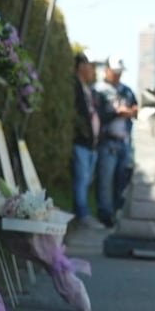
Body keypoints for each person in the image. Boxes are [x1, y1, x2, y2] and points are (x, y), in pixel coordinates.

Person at [93, 58, 139, 228]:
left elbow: (136, 109)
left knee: (123, 179)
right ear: (107, 70)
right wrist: (117, 113)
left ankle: (118, 212)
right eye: (115, 72)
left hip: (125, 141)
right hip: (107, 141)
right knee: (105, 179)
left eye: (120, 72)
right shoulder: (98, 90)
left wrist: (132, 112)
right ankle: (105, 215)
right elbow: (98, 116)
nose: (117, 75)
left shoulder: (127, 91)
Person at [70, 51, 103, 229]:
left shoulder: (88, 89)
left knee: (86, 179)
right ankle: (82, 215)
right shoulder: (74, 86)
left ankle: (82, 213)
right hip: (81, 142)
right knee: (81, 179)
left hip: (92, 144)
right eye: (90, 66)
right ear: (81, 66)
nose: (92, 70)